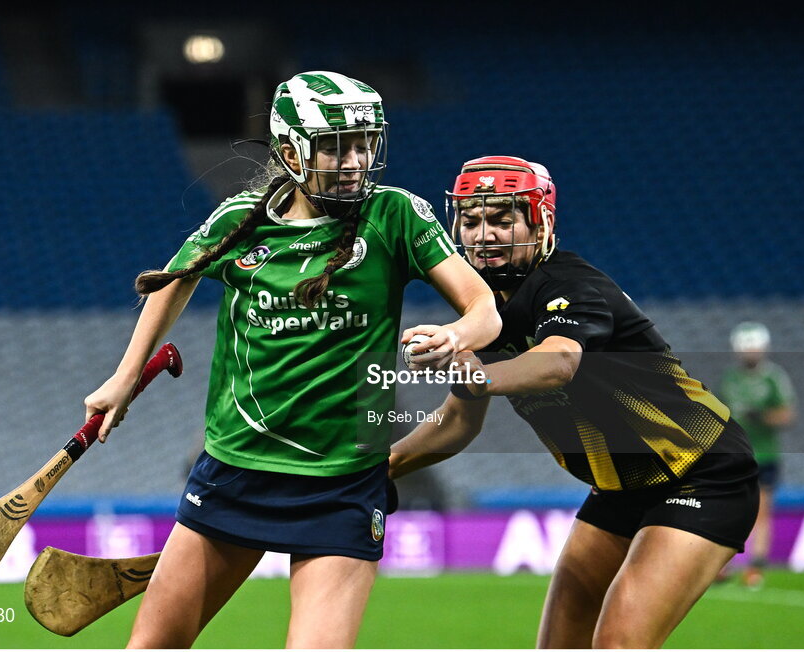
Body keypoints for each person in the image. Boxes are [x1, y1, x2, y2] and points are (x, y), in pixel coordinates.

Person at [83, 71, 500, 649]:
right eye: (335, 146)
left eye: (363, 144)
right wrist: (124, 378)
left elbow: (485, 306)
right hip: (235, 472)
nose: (354, 160)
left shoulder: (396, 215)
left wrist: (458, 333)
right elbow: (171, 283)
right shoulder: (240, 219)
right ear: (289, 152)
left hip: (341, 485)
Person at [389, 156, 760, 649]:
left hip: (702, 472)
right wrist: (377, 468)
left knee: (618, 643)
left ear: (539, 222)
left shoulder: (569, 285)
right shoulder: (484, 309)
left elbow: (558, 362)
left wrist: (480, 376)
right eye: (472, 219)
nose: (483, 234)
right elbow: (458, 423)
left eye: (502, 219)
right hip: (621, 486)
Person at [719, 321, 796, 589]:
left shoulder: (773, 378)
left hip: (764, 456)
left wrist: (762, 417)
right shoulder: (730, 379)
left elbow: (787, 414)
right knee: (727, 510)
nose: (750, 353)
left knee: (760, 514)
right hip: (735, 455)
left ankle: (755, 567)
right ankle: (720, 565)